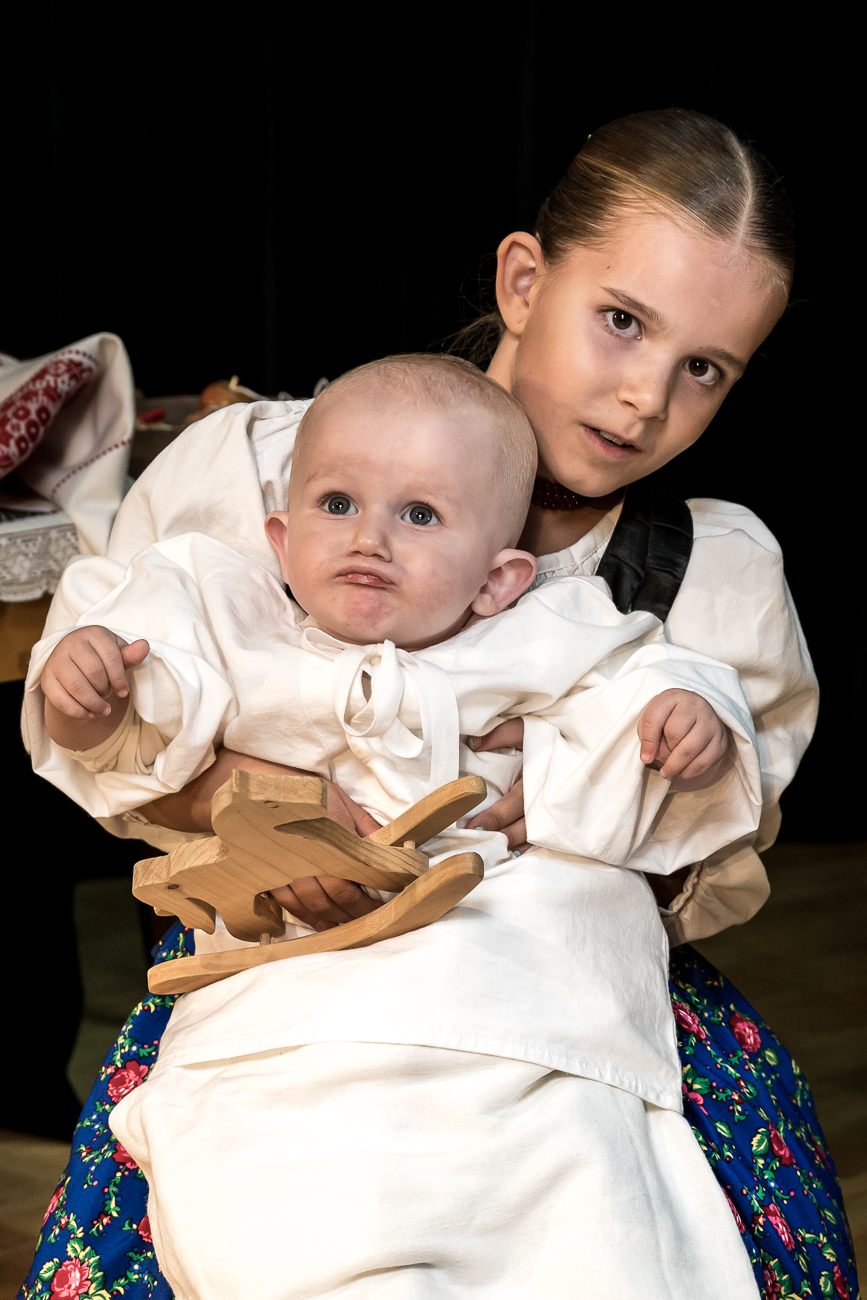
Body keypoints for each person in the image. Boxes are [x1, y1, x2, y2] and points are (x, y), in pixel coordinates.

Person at [18, 109, 858, 1300]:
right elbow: (106, 728)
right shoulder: (270, 471)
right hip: (281, 988)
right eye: (622, 321)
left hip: (555, 996)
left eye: (704, 369)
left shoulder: (709, 571)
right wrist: (249, 802)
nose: (643, 398)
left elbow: (718, 863)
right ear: (524, 281)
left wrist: (582, 797)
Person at [28, 353, 765, 1299]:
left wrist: (687, 719)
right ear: (280, 536)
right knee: (266, 1165)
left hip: (511, 985)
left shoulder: (549, 631)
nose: (369, 538)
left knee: (569, 1175)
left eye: (419, 515)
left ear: (498, 579)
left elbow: (649, 682)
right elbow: (132, 725)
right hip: (296, 989)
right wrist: (86, 688)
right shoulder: (229, 616)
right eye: (337, 504)